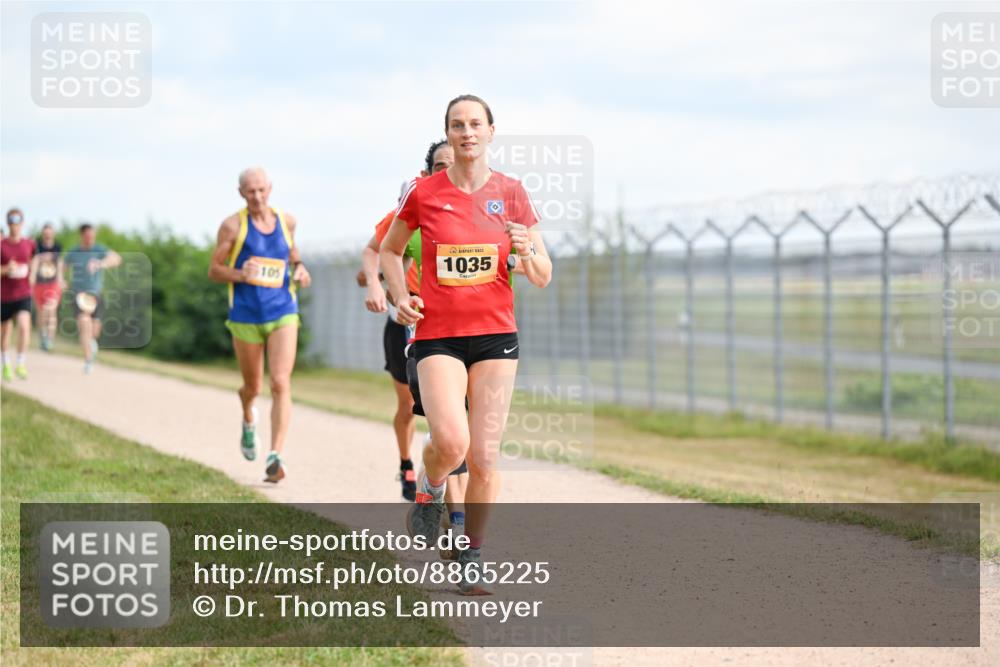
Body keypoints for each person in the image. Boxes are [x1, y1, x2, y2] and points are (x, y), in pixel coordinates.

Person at [380, 95, 552, 593]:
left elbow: (542, 274)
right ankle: (430, 492)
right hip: (438, 338)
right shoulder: (425, 193)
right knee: (452, 442)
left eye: (476, 124)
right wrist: (399, 296)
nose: (467, 132)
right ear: (448, 134)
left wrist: (527, 251)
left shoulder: (512, 193)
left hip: (497, 336)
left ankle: (471, 556)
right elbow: (391, 252)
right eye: (458, 125)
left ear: (491, 132)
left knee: (485, 457)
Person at [361, 139, 470, 503]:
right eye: (441, 167)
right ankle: (407, 462)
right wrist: (378, 287)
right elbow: (375, 250)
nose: (449, 172)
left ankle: (447, 496)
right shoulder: (411, 209)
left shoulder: (471, 212)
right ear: (426, 174)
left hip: (448, 328)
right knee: (408, 405)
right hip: (403, 322)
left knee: (454, 415)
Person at [208, 167, 311, 483]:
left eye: (261, 190)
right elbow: (214, 270)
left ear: (270, 188)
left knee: (280, 382)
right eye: (250, 191)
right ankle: (248, 418)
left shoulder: (286, 221)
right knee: (252, 386)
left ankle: (276, 455)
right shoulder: (232, 226)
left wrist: (300, 269)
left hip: (282, 310)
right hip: (246, 315)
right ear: (241, 193)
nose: (257, 196)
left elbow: (292, 253)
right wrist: (241, 274)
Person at [63, 223, 122, 374]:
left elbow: (116, 258)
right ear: (82, 236)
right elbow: (62, 265)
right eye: (88, 236)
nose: (90, 239)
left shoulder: (99, 249)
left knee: (94, 331)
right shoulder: (74, 252)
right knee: (84, 323)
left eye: (92, 236)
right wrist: (60, 279)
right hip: (78, 294)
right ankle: (88, 360)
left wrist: (101, 263)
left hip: (95, 295)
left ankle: (91, 344)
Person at [1, 208, 36, 380]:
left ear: (22, 223)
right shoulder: (1, 245)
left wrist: (33, 273)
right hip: (4, 295)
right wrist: (7, 269)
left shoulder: (29, 244)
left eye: (18, 222)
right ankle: (5, 363)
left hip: (23, 292)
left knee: (24, 326)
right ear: (8, 223)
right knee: (5, 331)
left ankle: (21, 363)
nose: (15, 226)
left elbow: (35, 259)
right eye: (12, 222)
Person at [30, 223, 65, 351]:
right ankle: (42, 335)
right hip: (39, 284)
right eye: (45, 233)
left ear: (53, 234)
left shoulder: (58, 246)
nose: (47, 235)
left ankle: (49, 339)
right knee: (41, 312)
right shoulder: (37, 246)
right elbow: (33, 261)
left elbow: (60, 264)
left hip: (53, 283)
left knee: (50, 309)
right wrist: (32, 276)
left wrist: (61, 279)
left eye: (49, 233)